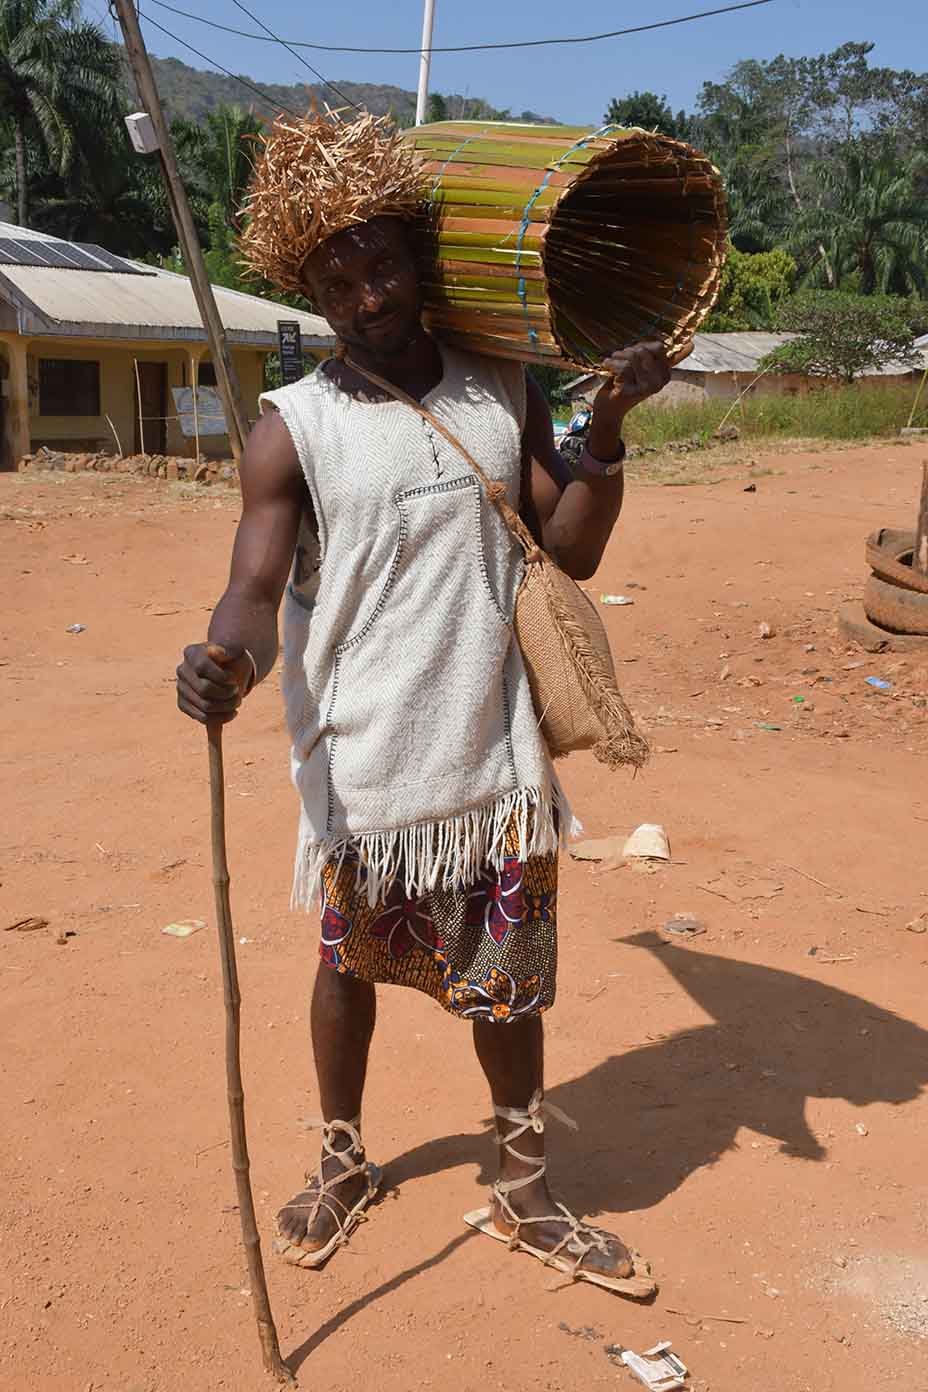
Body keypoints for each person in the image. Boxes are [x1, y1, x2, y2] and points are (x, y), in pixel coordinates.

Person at [176, 111, 670, 1295]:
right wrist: (223, 662)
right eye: (335, 277)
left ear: (419, 260)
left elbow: (570, 548)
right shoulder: (294, 428)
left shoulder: (501, 384)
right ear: (313, 289)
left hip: (489, 749)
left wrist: (603, 427)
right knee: (348, 963)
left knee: (508, 982)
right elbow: (252, 591)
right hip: (362, 754)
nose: (364, 294)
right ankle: (343, 1157)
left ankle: (521, 1183)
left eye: (381, 264)